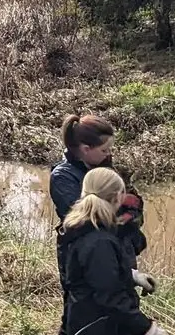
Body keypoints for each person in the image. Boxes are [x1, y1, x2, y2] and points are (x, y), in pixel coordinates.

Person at [58, 167, 164, 335]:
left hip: (82, 321)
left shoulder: (82, 228)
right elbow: (111, 298)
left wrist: (132, 276)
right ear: (117, 198)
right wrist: (148, 329)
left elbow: (94, 276)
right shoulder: (99, 241)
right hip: (96, 326)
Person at [51, 114, 117, 334]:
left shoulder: (105, 166)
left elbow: (127, 201)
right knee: (78, 312)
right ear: (86, 148)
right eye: (104, 150)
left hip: (108, 249)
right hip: (76, 254)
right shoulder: (62, 176)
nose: (109, 154)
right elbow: (81, 218)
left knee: (109, 311)